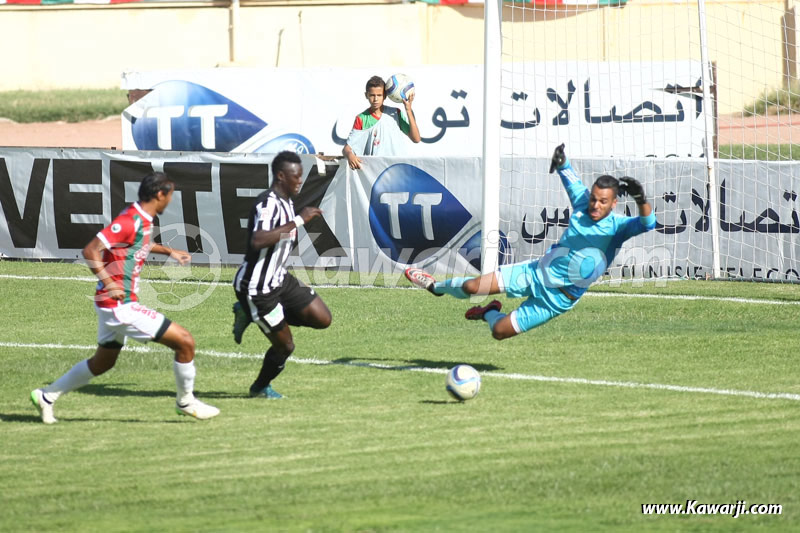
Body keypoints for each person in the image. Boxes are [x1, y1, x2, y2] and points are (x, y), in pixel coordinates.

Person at [405, 143, 656, 340]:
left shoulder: (617, 228)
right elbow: (570, 177)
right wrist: (561, 160)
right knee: (472, 287)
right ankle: (435, 287)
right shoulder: (583, 204)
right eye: (593, 198)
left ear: (614, 203)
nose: (595, 205)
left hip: (557, 300)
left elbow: (647, 224)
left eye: (603, 201)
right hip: (535, 273)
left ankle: (489, 312)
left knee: (499, 332)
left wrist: (641, 199)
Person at [30, 172, 220, 424]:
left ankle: (47, 396)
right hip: (119, 306)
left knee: (102, 363)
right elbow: (90, 250)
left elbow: (138, 243)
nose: (170, 200)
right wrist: (110, 283)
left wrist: (169, 251)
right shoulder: (130, 220)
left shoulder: (142, 218)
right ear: (160, 194)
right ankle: (186, 402)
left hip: (113, 305)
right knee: (185, 342)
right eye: (170, 195)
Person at [231, 151, 332, 398]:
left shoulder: (287, 202)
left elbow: (280, 238)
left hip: (279, 279)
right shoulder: (267, 203)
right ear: (280, 176)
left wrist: (296, 222)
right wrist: (298, 221)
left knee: (323, 318)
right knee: (285, 346)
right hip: (257, 289)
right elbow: (258, 240)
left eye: (301, 176)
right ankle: (259, 388)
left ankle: (249, 313)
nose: (300, 181)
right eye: (296, 176)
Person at [342, 75, 421, 169]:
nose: (375, 99)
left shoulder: (396, 113)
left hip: (398, 169)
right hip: (376, 170)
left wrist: (408, 109)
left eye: (379, 95)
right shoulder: (361, 118)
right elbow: (347, 148)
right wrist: (350, 155)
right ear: (366, 95)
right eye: (372, 95)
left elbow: (416, 139)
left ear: (385, 96)